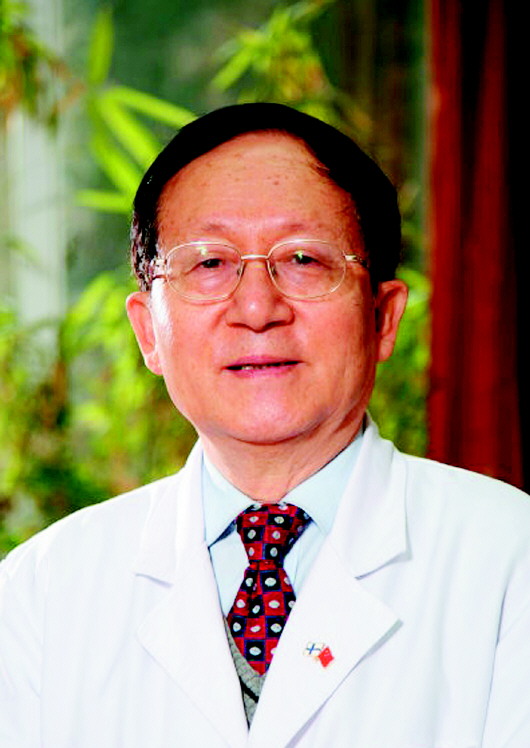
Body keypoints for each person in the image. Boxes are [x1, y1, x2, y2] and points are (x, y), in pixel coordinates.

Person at [1, 103, 529, 748]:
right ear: (148, 333)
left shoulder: (509, 560)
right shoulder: (42, 591)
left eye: (304, 258)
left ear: (383, 317)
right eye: (209, 263)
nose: (256, 308)